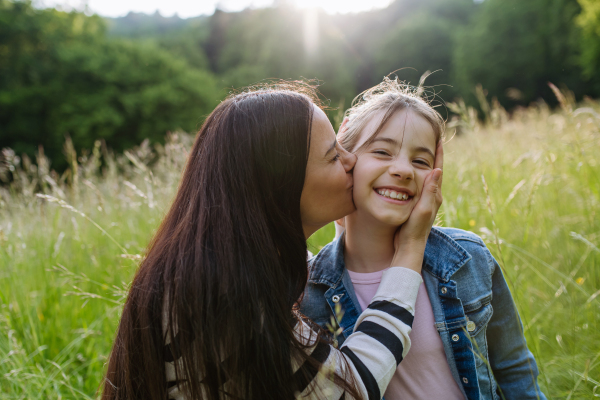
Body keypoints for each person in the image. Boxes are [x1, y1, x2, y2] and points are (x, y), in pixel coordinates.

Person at [101, 83, 444, 400]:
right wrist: (411, 246)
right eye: (333, 155)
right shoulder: (221, 294)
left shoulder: (220, 259)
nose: (351, 159)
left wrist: (352, 225)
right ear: (282, 184)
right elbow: (353, 389)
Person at [300, 77, 547, 400]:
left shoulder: (468, 259)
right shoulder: (311, 293)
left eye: (421, 161)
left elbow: (515, 369)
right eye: (382, 151)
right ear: (345, 157)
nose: (403, 170)